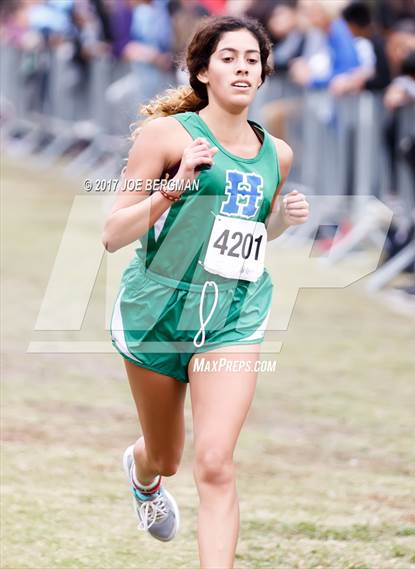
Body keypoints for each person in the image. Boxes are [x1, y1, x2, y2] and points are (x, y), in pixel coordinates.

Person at [102, 15, 309, 569]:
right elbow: (113, 233)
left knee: (215, 463)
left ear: (264, 73)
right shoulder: (166, 136)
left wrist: (281, 224)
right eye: (229, 58)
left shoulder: (278, 154)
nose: (243, 68)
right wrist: (173, 188)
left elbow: (244, 234)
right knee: (167, 458)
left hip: (232, 315)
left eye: (252, 60)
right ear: (202, 70)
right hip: (157, 310)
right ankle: (143, 477)